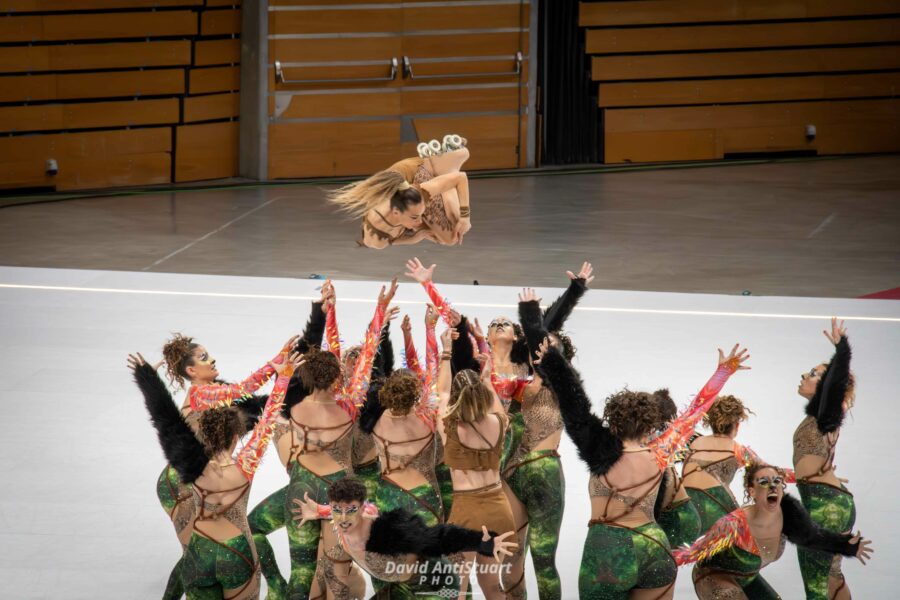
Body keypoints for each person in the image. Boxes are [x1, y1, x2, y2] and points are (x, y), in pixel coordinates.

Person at [534, 339, 750, 599]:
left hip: (609, 550)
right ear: (650, 426)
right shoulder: (660, 452)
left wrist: (553, 362)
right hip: (654, 547)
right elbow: (695, 412)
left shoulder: (599, 451)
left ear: (611, 424)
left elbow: (573, 403)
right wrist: (723, 372)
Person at [130, 348, 302, 599]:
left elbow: (166, 420)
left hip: (200, 553)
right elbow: (268, 418)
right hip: (236, 553)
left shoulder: (193, 470)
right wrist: (284, 377)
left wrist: (149, 380)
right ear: (236, 436)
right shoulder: (246, 464)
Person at [291, 476, 518, 599]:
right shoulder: (339, 519)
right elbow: (337, 511)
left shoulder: (387, 532)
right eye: (336, 510)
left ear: (361, 509)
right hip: (402, 587)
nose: (342, 518)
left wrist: (483, 543)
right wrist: (317, 511)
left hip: (433, 587)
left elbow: (439, 536)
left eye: (350, 510)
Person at [674, 463, 872, 599]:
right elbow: (694, 552)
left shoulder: (789, 517)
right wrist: (662, 559)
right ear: (752, 492)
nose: (772, 487)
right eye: (763, 482)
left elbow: (813, 537)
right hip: (713, 576)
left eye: (777, 481)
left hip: (748, 577)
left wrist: (846, 546)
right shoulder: (734, 524)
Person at [437, 329, 517, 599]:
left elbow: (443, 391)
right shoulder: (498, 422)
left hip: (466, 510)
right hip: (498, 507)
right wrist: (487, 377)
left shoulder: (448, 426)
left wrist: (446, 352)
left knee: (456, 586)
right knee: (492, 585)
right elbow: (495, 403)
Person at [794, 318, 857, 599]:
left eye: (813, 373)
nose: (804, 376)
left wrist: (841, 352)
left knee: (817, 586)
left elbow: (835, 384)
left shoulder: (825, 412)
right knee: (832, 578)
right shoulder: (821, 416)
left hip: (824, 506)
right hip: (830, 499)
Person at [682, 395, 795, 534]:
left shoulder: (694, 443)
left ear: (711, 422)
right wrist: (807, 476)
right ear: (737, 425)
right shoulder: (739, 450)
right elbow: (773, 474)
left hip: (686, 507)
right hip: (716, 508)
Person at [329, 141, 472, 248]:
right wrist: (418, 235)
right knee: (446, 239)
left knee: (454, 231)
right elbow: (392, 240)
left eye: (418, 216)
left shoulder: (414, 192)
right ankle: (445, 165)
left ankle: (443, 166)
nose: (419, 222)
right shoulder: (377, 238)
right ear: (396, 212)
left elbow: (461, 178)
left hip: (417, 171)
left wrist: (465, 217)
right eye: (416, 217)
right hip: (407, 186)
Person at [648, 391, 702, 550]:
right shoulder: (669, 439)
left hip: (678, 518)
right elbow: (698, 407)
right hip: (685, 516)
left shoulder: (663, 440)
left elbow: (698, 407)